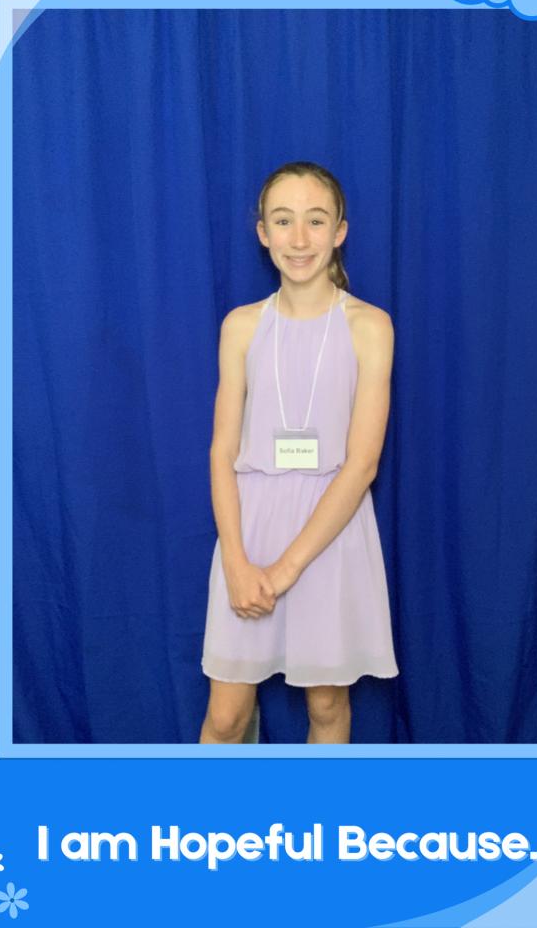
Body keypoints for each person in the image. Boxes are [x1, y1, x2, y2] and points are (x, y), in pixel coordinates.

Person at [200, 161, 398, 745]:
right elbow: (222, 451)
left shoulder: (370, 326)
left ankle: (316, 809)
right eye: (283, 221)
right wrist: (238, 562)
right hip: (249, 531)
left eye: (316, 220)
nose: (300, 238)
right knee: (226, 716)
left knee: (328, 704)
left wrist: (286, 569)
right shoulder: (241, 326)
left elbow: (362, 463)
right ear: (263, 232)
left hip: (330, 532)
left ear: (340, 230)